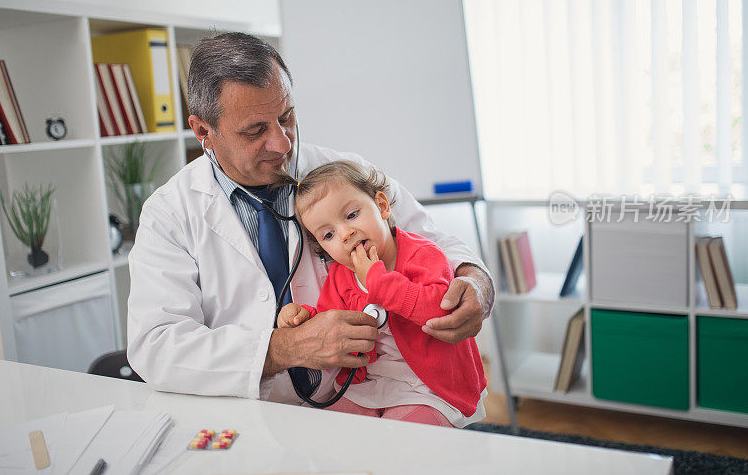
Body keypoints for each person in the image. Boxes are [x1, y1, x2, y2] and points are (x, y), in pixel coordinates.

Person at [127, 32, 494, 406]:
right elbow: (156, 347)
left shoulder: (341, 174)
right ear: (204, 131)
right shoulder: (170, 213)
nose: (282, 143)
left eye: (286, 117)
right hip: (250, 416)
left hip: (366, 398)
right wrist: (283, 348)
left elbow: (436, 244)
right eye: (255, 131)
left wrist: (476, 285)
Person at [277, 161, 487, 427]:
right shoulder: (341, 276)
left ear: (382, 206)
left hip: (428, 387)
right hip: (372, 384)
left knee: (400, 442)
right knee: (332, 431)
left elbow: (440, 311)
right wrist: (306, 317)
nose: (345, 233)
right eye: (328, 234)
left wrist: (377, 280)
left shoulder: (423, 255)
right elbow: (333, 320)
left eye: (351, 215)